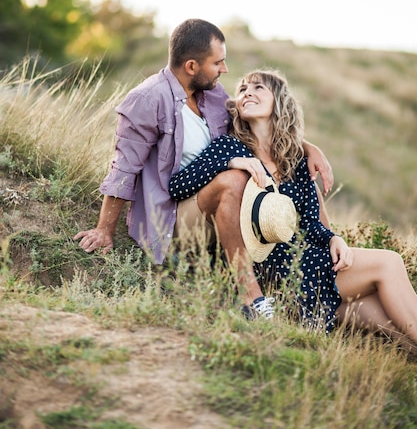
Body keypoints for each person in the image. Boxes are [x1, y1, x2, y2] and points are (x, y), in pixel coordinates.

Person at [74, 19, 333, 314]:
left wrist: (306, 147)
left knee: (241, 184)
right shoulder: (147, 99)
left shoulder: (213, 94)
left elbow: (262, 115)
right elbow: (124, 167)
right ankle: (251, 298)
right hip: (171, 216)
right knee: (233, 179)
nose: (224, 70)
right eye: (218, 63)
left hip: (219, 210)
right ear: (192, 67)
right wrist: (104, 229)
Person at [169, 69, 417, 351]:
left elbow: (311, 224)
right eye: (242, 90)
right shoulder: (228, 147)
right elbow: (178, 185)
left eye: (258, 87)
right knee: (389, 262)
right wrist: (231, 164)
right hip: (263, 267)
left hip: (300, 263)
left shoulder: (296, 161)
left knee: (384, 317)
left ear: (279, 102)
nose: (247, 92)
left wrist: (334, 239)